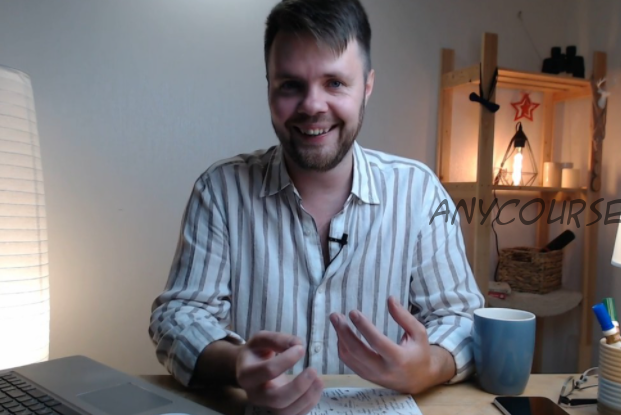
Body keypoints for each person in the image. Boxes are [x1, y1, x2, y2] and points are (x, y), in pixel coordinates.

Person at [149, 0, 484, 413]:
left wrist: (428, 366)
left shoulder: (420, 192)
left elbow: (463, 318)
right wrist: (238, 365)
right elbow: (179, 316)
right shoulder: (219, 191)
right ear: (269, 87)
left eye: (335, 83)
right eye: (291, 84)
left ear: (367, 86)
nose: (312, 106)